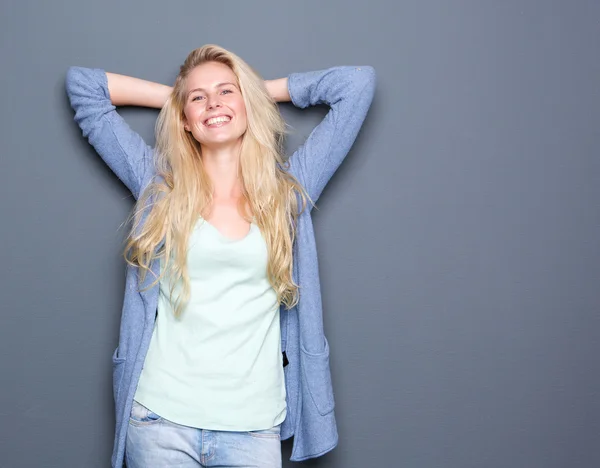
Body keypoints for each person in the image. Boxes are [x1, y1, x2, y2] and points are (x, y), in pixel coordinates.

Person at [65, 44, 376, 467]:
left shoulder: (289, 192)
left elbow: (357, 85)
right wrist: (177, 99)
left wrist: (252, 90)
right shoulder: (159, 187)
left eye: (227, 92)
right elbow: (84, 87)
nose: (213, 103)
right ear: (186, 122)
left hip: (252, 426)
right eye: (199, 97)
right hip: (159, 421)